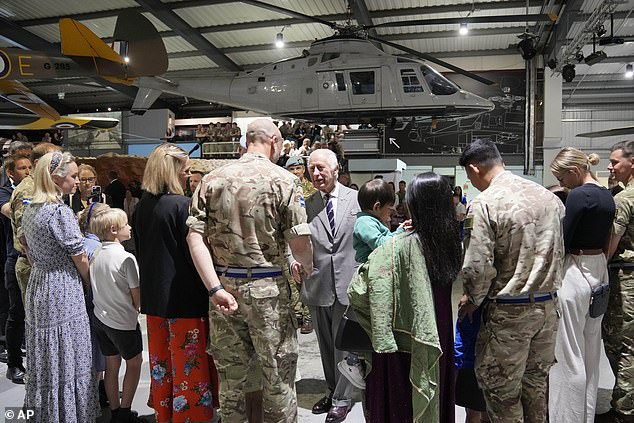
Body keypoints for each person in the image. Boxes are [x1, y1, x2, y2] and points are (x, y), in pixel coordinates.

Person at [187, 118, 313, 422]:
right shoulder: (285, 180)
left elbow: (195, 237)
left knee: (231, 383)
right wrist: (305, 269)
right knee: (278, 379)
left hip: (224, 293)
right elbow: (300, 241)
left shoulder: (211, 180)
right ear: (274, 141)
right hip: (270, 292)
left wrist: (215, 287)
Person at [457, 139, 564, 422]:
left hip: (509, 314)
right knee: (536, 390)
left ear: (474, 168)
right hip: (548, 310)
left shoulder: (485, 204)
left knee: (502, 393)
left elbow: (477, 266)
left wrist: (471, 298)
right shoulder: (548, 198)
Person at [348, 172, 462, 423]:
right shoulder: (450, 241)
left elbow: (360, 289)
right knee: (436, 384)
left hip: (404, 335)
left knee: (402, 399)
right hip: (439, 328)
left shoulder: (401, 245)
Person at [132, 144, 217, 423]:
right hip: (185, 299)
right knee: (189, 366)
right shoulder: (183, 206)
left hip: (155, 300)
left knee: (161, 364)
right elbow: (196, 253)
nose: (187, 175)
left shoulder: (142, 205)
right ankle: (191, 418)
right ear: (172, 171)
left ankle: (165, 414)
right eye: (185, 170)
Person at [22, 151, 99, 421]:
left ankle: (44, 413)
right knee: (67, 350)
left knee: (45, 353)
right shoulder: (59, 211)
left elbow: (28, 250)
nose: (78, 181)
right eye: (74, 176)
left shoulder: (30, 208)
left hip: (39, 285)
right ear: (56, 178)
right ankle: (67, 415)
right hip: (61, 287)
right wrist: (91, 284)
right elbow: (79, 255)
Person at [548, 147, 615, 423]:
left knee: (568, 355)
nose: (562, 184)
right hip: (599, 270)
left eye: (562, 178)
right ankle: (585, 416)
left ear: (575, 171)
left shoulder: (578, 195)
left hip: (575, 272)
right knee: (590, 352)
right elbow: (608, 238)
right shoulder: (607, 196)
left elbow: (563, 239)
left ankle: (566, 418)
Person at [297, 148, 360, 423]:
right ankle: (332, 390)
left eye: (321, 168)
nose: (317, 173)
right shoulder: (306, 204)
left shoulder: (356, 200)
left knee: (343, 345)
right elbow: (293, 238)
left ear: (336, 170)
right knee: (325, 344)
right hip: (318, 283)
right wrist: (293, 262)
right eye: (312, 169)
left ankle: (343, 399)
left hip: (348, 283)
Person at [347, 179, 405, 400]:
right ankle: (354, 361)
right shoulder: (364, 223)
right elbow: (382, 245)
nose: (391, 213)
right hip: (367, 279)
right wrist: (400, 233)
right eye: (389, 209)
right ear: (377, 206)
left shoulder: (371, 220)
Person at [89, 207, 143, 423]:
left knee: (112, 366)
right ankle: (125, 412)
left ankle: (114, 410)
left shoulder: (96, 255)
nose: (129, 228)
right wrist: (138, 309)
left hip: (101, 319)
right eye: (125, 225)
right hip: (123, 321)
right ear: (113, 230)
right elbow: (136, 294)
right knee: (135, 362)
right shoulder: (126, 258)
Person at [605, 140, 634, 422]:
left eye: (615, 162)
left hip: (626, 279)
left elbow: (611, 244)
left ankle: (624, 410)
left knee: (621, 345)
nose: (610, 167)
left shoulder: (623, 200)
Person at [0, 154, 31, 384]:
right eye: (22, 168)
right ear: (11, 172)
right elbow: (12, 212)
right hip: (15, 257)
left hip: (33, 260)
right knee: (16, 313)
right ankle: (13, 363)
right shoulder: (5, 192)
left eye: (30, 167)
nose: (28, 172)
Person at [284, 155, 316, 334]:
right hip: (290, 235)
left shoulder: (312, 189)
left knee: (307, 276)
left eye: (298, 168)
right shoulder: (287, 187)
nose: (295, 172)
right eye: (292, 169)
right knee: (293, 277)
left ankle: (309, 316)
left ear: (303, 169)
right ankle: (297, 314)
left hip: (308, 234)